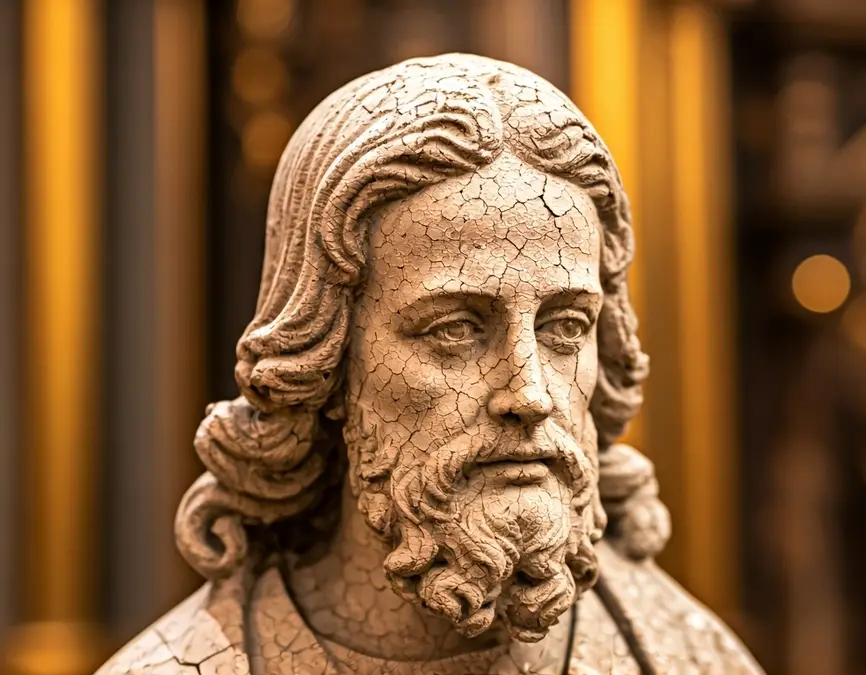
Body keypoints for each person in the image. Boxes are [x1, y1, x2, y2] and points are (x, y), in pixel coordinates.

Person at [98, 53, 762, 675]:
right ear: (326, 359)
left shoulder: (687, 655)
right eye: (453, 329)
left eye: (565, 326)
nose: (528, 392)